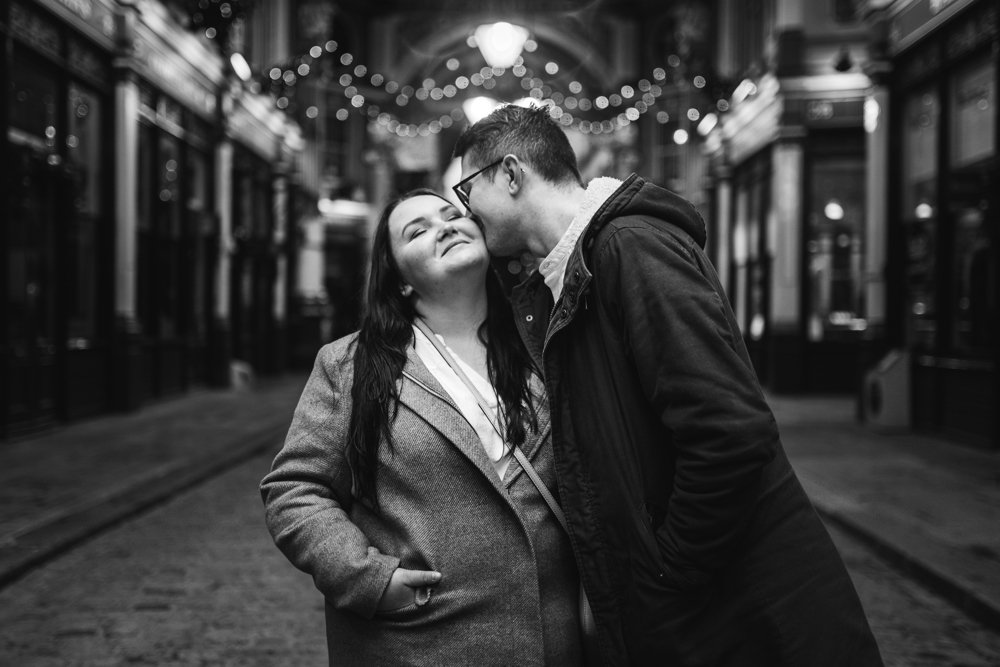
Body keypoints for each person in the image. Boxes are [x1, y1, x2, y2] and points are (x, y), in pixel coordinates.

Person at [452, 105, 884, 667]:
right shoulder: (575, 273)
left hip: (744, 614)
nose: (466, 212)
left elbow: (729, 433)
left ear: (511, 175)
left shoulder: (629, 248)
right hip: (704, 613)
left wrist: (664, 574)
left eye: (467, 190)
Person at [260, 188, 582, 666]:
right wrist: (367, 578)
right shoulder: (350, 365)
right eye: (418, 230)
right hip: (420, 641)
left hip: (552, 639)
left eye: (452, 215)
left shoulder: (548, 346)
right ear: (401, 280)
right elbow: (295, 489)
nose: (445, 227)